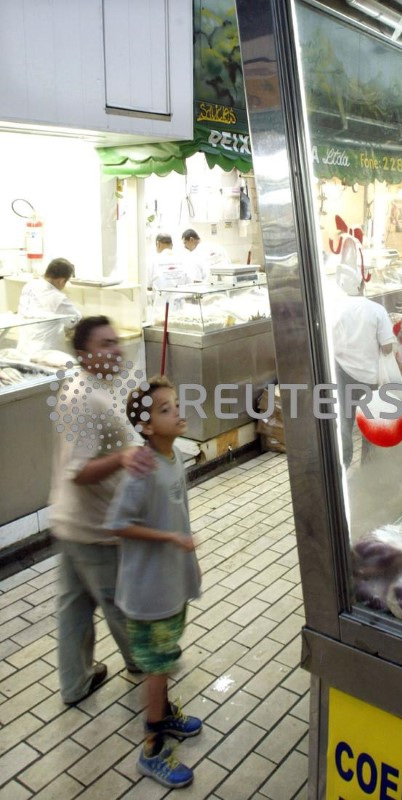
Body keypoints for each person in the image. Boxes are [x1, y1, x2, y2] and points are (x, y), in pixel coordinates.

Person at [49, 316, 155, 704]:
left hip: (71, 521)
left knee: (74, 607)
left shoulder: (95, 385)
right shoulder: (83, 396)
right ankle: (144, 663)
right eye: (104, 345)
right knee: (120, 603)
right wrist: (125, 457)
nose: (115, 349)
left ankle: (76, 683)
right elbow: (80, 471)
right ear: (83, 355)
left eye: (115, 340)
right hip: (94, 527)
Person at [105, 375, 202, 789]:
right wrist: (167, 538)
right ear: (146, 426)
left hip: (170, 584)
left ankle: (164, 714)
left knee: (167, 655)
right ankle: (152, 748)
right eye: (166, 409)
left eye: (176, 404)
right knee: (158, 668)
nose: (178, 412)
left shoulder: (174, 456)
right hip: (148, 593)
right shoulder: (141, 470)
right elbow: (118, 525)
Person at [332, 244, 396, 469]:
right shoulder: (376, 310)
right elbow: (388, 347)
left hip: (342, 374)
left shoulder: (335, 309)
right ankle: (369, 468)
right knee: (370, 423)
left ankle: (343, 464)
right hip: (370, 378)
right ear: (361, 283)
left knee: (345, 422)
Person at [17, 257, 81, 353]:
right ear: (61, 281)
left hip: (23, 347)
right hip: (45, 351)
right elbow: (75, 321)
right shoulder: (57, 298)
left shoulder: (30, 285)